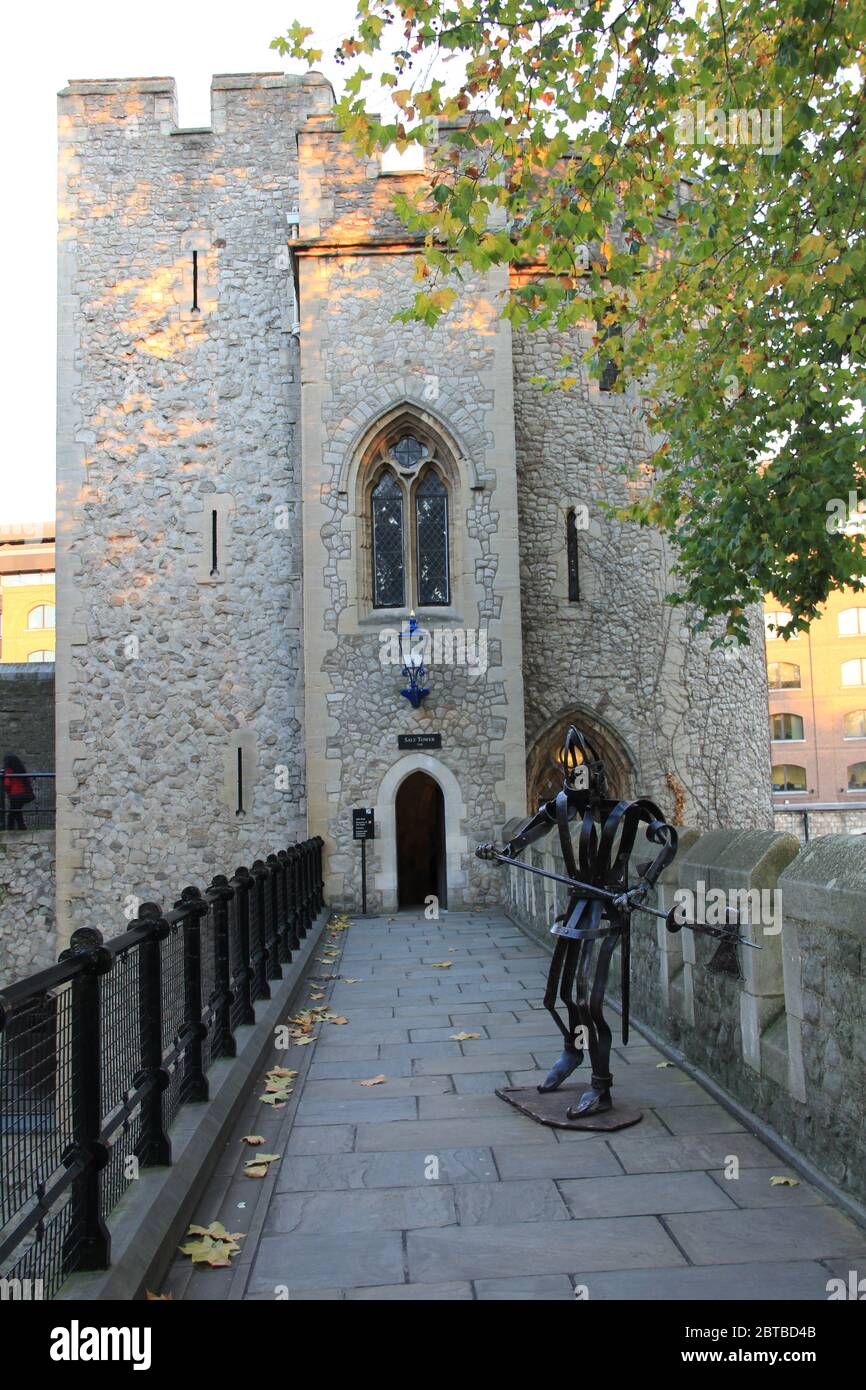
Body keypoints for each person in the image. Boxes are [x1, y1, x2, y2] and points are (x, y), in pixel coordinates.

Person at [3, 754, 34, 831]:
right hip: (25, 794)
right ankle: (22, 828)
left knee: (12, 814)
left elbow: (7, 784)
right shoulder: (21, 769)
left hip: (15, 795)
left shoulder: (9, 770)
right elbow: (28, 780)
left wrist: (7, 791)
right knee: (16, 811)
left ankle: (11, 831)